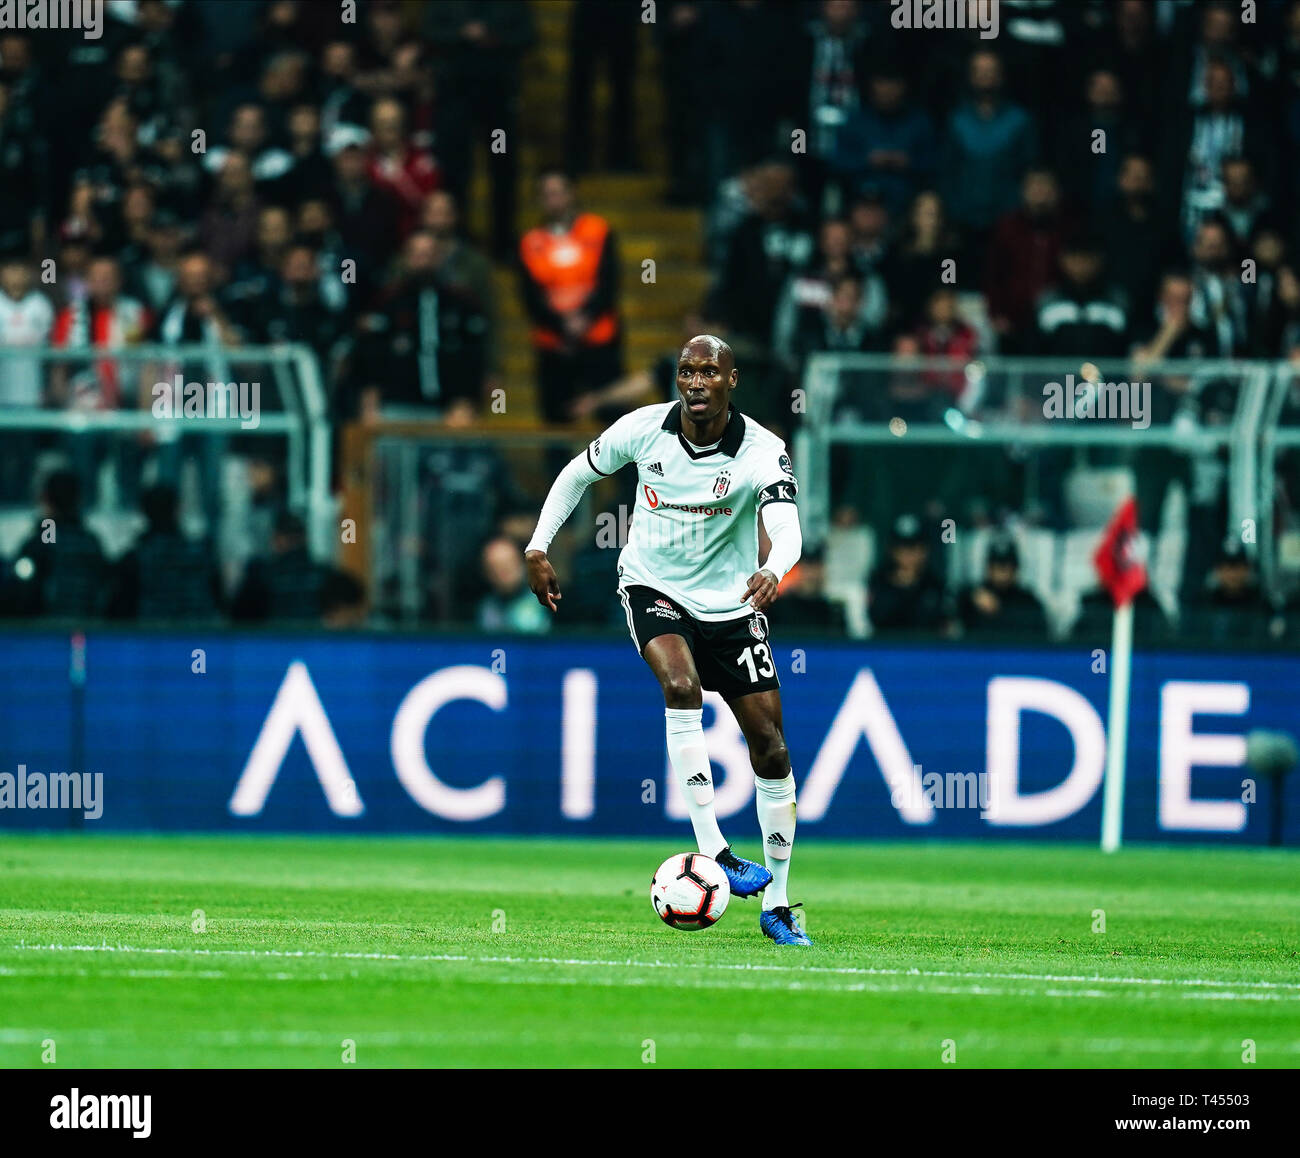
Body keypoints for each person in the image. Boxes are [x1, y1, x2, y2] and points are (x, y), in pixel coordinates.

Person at [523, 335, 812, 946]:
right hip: (653, 588)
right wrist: (538, 545)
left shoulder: (763, 451)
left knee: (772, 749)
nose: (696, 381)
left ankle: (778, 905)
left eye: (710, 371)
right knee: (681, 688)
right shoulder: (642, 430)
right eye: (686, 371)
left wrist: (773, 568)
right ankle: (718, 851)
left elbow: (787, 529)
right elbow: (577, 472)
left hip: (732, 606)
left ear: (732, 380)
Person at [956, 534, 1047, 638]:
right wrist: (971, 595)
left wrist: (1002, 611)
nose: (1002, 573)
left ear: (1016, 569)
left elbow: (1042, 639)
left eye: (1007, 566)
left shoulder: (1028, 601)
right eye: (997, 566)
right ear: (988, 568)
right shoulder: (973, 598)